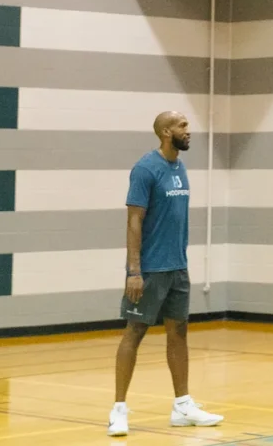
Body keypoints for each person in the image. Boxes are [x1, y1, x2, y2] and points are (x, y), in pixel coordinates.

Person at [108, 111, 223, 437]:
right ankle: (118, 410)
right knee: (135, 332)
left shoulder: (180, 168)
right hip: (150, 271)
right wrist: (134, 271)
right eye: (182, 126)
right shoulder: (146, 169)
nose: (189, 131)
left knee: (179, 332)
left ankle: (182, 406)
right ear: (165, 132)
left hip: (177, 268)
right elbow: (134, 221)